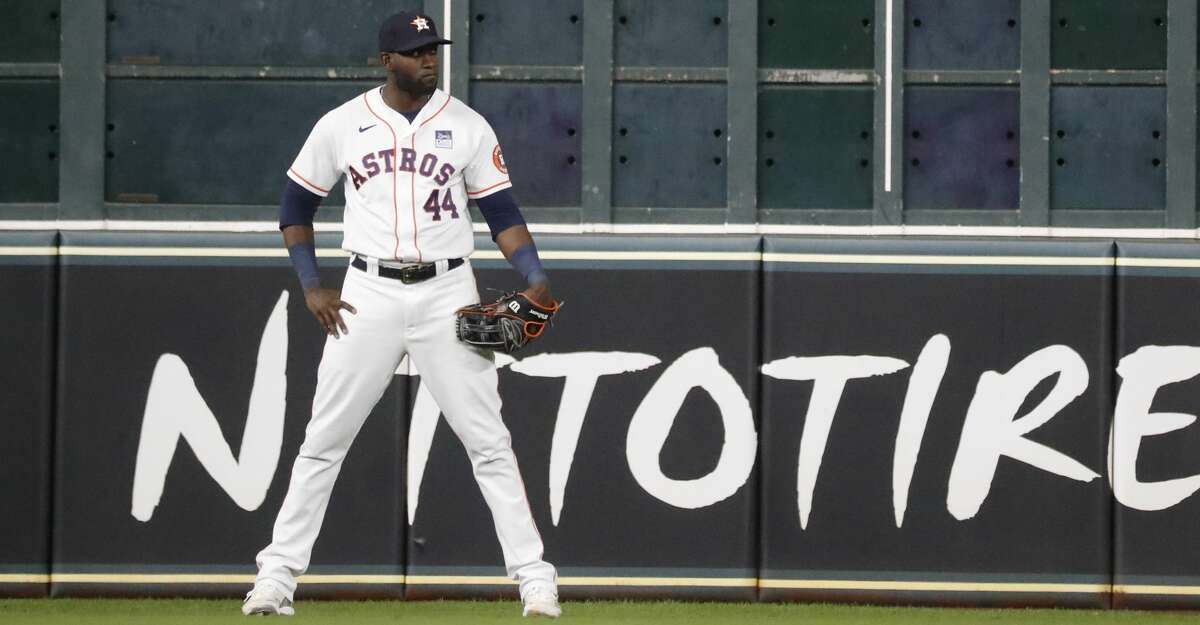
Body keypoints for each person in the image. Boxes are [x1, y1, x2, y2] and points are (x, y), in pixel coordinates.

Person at [241, 11, 561, 618]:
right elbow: (295, 205)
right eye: (417, 52)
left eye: (433, 49)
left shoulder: (466, 125)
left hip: (449, 291)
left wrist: (535, 276)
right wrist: (311, 284)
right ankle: (276, 579)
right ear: (386, 60)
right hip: (368, 292)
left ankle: (534, 579)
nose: (430, 60)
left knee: (489, 442)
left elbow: (501, 213)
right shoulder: (343, 124)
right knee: (323, 441)